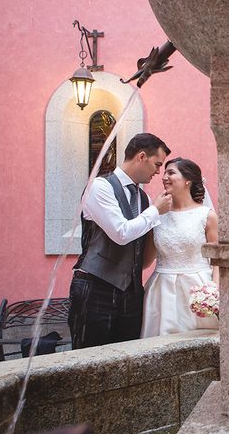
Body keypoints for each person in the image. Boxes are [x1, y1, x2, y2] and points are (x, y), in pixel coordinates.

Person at [68, 132, 172, 348]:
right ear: (141, 157)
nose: (158, 172)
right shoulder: (99, 187)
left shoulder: (142, 198)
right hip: (96, 289)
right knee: (88, 363)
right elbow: (120, 233)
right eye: (157, 164)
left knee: (127, 364)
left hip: (132, 295)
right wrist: (155, 211)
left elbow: (140, 257)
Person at [141, 157, 219, 337]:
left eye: (171, 172)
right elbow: (146, 261)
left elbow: (217, 260)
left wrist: (214, 291)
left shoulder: (206, 215)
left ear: (187, 180)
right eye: (164, 172)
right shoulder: (157, 216)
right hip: (161, 290)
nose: (164, 177)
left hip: (198, 288)